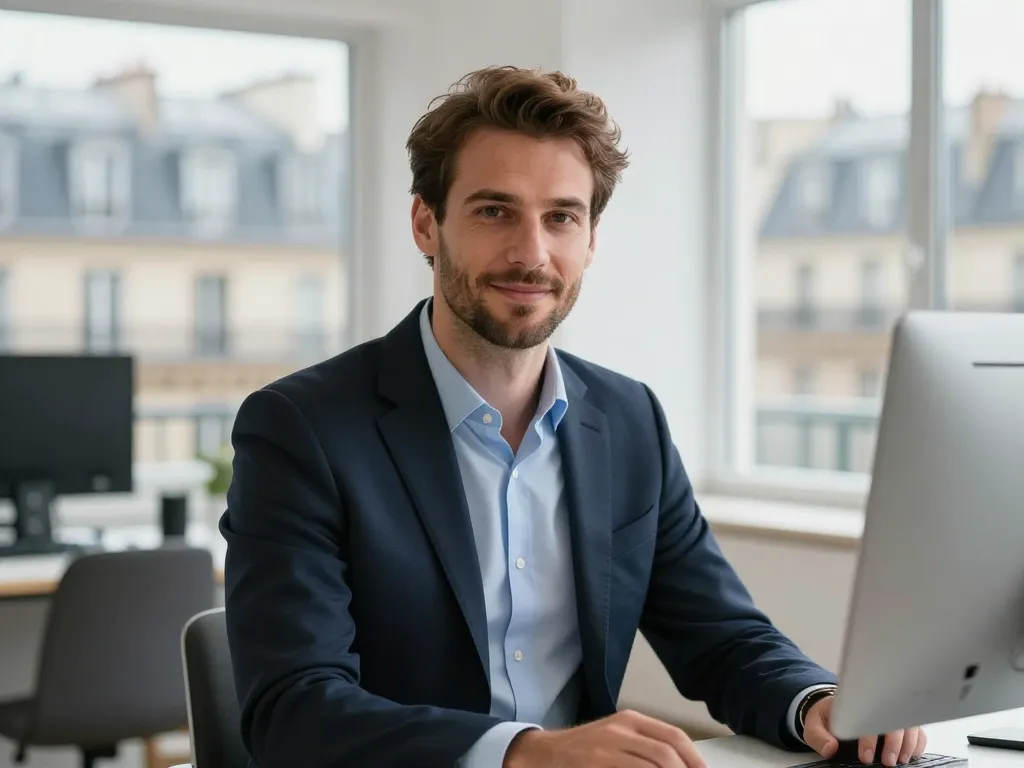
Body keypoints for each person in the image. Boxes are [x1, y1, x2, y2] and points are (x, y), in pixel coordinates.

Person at [220, 65, 926, 768]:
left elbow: (723, 637)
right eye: (494, 211)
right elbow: (294, 709)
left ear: (590, 240)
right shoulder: (301, 428)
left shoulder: (628, 420)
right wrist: (523, 753)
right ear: (426, 224)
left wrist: (818, 702)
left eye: (561, 217)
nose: (532, 254)